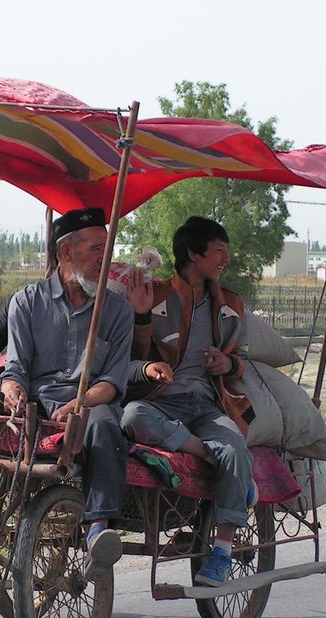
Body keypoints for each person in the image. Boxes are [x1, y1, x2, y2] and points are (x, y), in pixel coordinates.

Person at [0, 207, 134, 583]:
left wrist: (82, 402)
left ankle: (98, 529)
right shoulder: (26, 302)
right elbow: (15, 369)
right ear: (65, 254)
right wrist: (13, 390)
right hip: (38, 402)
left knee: (108, 424)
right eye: (94, 249)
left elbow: (112, 381)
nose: (103, 260)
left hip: (90, 403)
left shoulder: (117, 310)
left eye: (107, 249)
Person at [122, 216, 256, 586]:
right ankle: (215, 456)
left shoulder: (230, 305)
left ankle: (222, 553)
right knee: (132, 416)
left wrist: (227, 361)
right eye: (219, 251)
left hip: (209, 404)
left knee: (235, 443)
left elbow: (242, 358)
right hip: (162, 403)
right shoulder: (157, 296)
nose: (224, 259)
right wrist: (143, 323)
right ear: (194, 255)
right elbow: (133, 355)